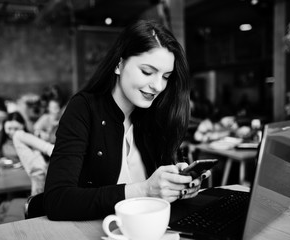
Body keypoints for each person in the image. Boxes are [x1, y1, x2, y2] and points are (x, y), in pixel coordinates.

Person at [43, 20, 211, 221]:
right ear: (118, 64)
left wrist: (178, 186)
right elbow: (57, 201)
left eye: (166, 76)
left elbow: (161, 190)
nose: (158, 86)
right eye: (147, 72)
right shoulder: (83, 108)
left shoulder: (155, 114)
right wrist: (145, 190)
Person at [13, 130, 53, 196]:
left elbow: (48, 148)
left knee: (37, 203)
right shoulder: (27, 135)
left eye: (13, 128)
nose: (11, 131)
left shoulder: (17, 134)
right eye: (9, 129)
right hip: (40, 173)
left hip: (38, 173)